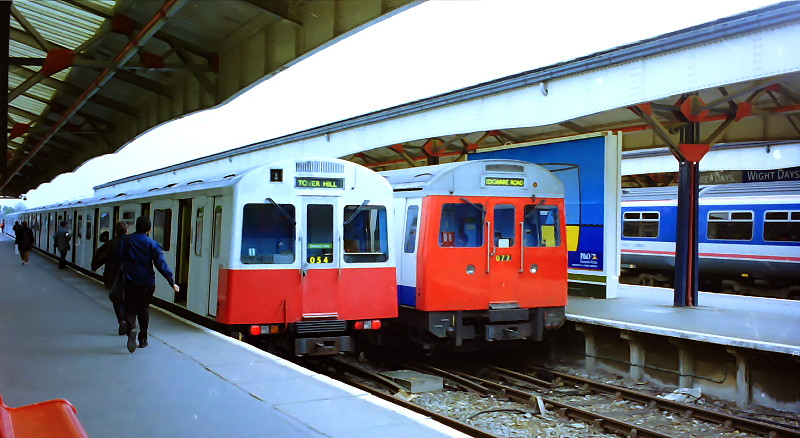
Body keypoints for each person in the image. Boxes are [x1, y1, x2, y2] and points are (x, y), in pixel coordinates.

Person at [118, 216, 180, 353]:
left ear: (136, 226)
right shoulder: (152, 244)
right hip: (147, 283)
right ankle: (143, 339)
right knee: (144, 309)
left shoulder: (126, 240)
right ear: (149, 229)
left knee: (130, 309)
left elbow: (119, 257)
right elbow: (161, 264)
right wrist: (172, 282)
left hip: (130, 281)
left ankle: (132, 328)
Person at [91, 221, 129, 335]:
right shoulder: (132, 243)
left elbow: (99, 256)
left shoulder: (110, 244)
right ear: (127, 231)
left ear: (116, 231)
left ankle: (122, 321)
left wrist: (94, 266)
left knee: (116, 299)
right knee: (128, 299)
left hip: (113, 276)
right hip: (130, 276)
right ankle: (129, 322)